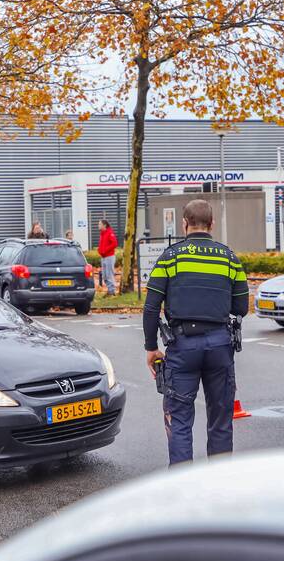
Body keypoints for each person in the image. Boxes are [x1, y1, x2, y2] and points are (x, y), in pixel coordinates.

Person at [143, 199, 249, 466]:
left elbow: (151, 306)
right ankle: (218, 480)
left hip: (182, 347)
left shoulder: (170, 257)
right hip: (220, 346)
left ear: (184, 223)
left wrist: (151, 347)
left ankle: (183, 482)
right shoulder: (229, 258)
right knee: (221, 420)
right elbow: (241, 307)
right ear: (211, 224)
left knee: (179, 420)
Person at [97, 219, 118, 296]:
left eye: (100, 224)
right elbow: (102, 244)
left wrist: (105, 250)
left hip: (109, 257)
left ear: (104, 225)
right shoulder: (102, 233)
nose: (98, 225)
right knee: (105, 275)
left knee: (109, 274)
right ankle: (110, 291)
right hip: (103, 257)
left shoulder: (109, 233)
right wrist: (99, 250)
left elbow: (114, 243)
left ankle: (112, 292)